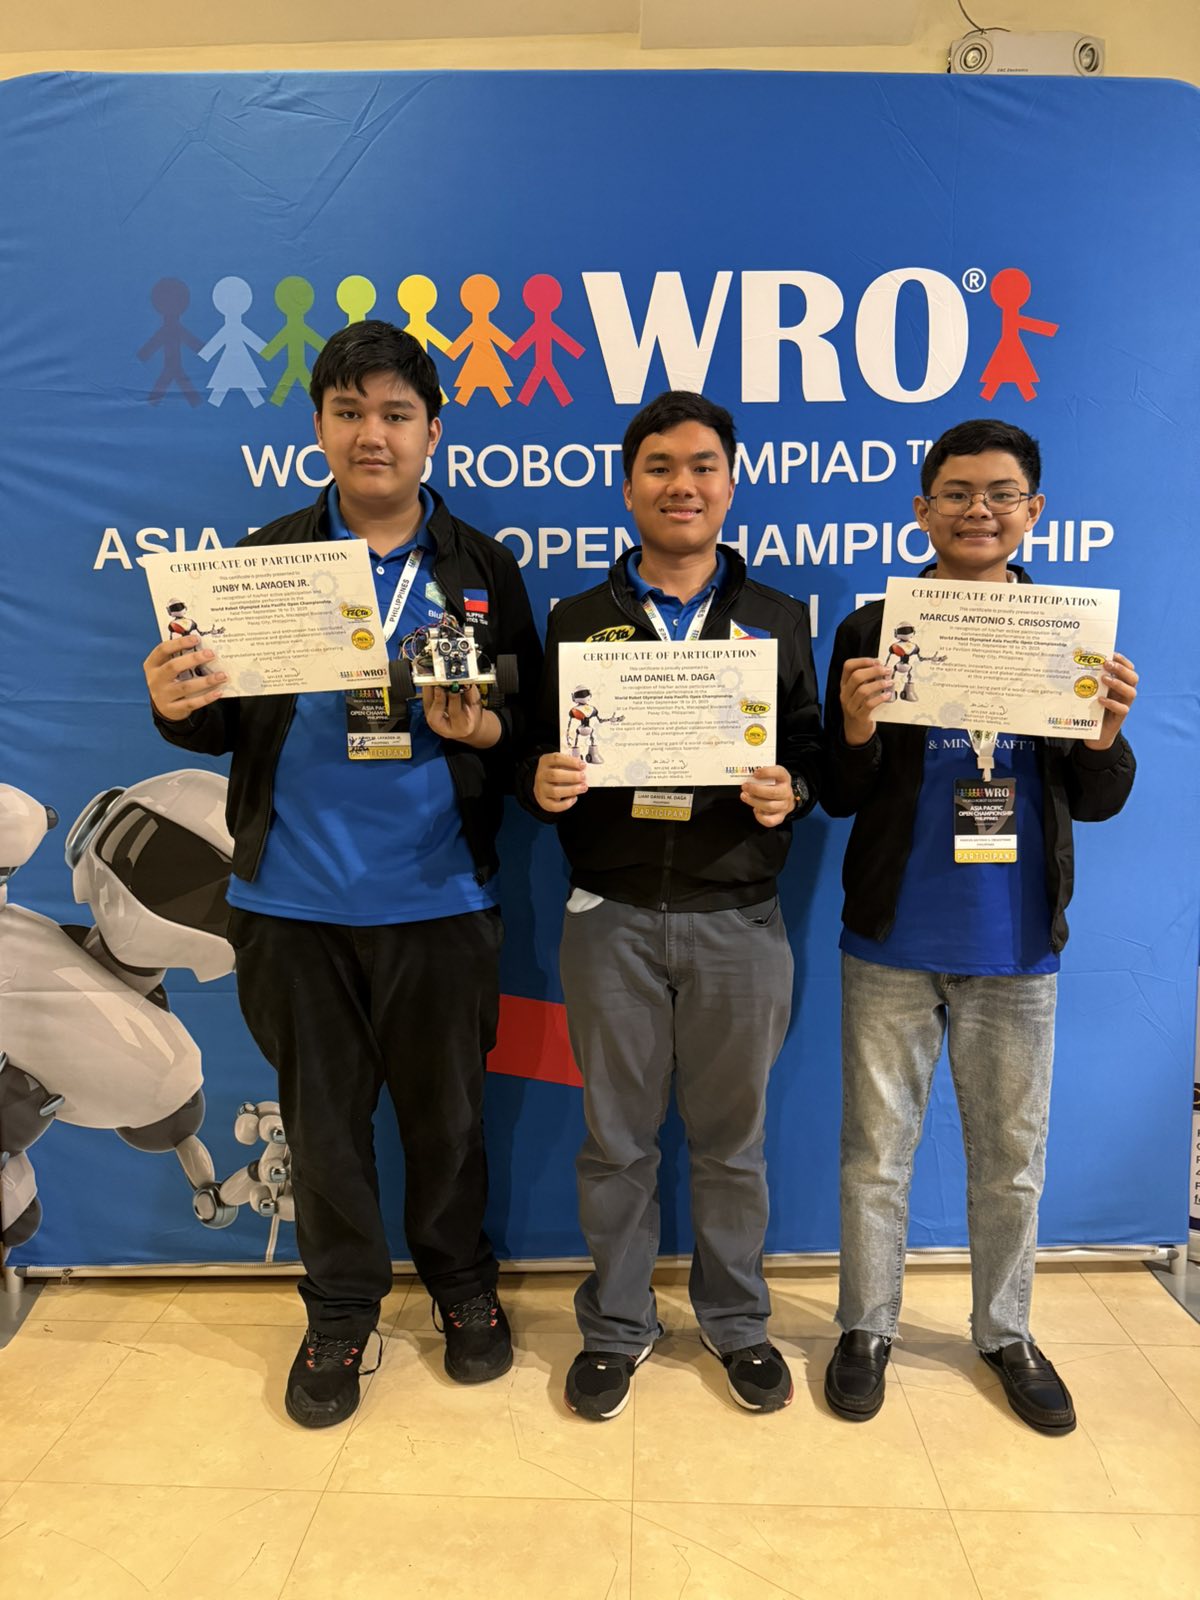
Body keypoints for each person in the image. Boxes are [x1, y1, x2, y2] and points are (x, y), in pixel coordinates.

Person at [143, 321, 542, 1427]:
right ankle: (340, 1309)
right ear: (318, 427)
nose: (374, 434)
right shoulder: (265, 561)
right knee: (320, 1129)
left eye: (397, 413)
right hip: (291, 904)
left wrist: (484, 732)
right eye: (350, 412)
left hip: (442, 898)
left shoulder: (482, 568)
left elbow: (532, 730)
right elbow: (217, 722)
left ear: (433, 432)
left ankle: (462, 1288)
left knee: (448, 1123)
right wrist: (175, 704)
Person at [821, 418, 1137, 1436]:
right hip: (892, 937)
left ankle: (1005, 1331)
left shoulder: (1066, 629)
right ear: (922, 510)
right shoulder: (874, 628)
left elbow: (1100, 799)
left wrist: (1105, 737)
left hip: (1016, 944)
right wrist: (859, 727)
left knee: (1011, 1155)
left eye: (1001, 494)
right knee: (876, 1154)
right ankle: (865, 1326)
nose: (978, 511)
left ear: (1034, 511)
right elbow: (838, 788)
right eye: (956, 493)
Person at [519, 390, 823, 1420]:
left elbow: (813, 746)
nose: (681, 484)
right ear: (628, 485)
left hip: (739, 918)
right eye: (658, 466)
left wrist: (795, 786)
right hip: (607, 916)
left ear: (730, 486)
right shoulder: (575, 619)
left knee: (732, 1144)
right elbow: (533, 747)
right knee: (617, 1142)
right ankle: (616, 1323)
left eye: (701, 466)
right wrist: (543, 781)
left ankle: (737, 1323)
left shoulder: (779, 619)